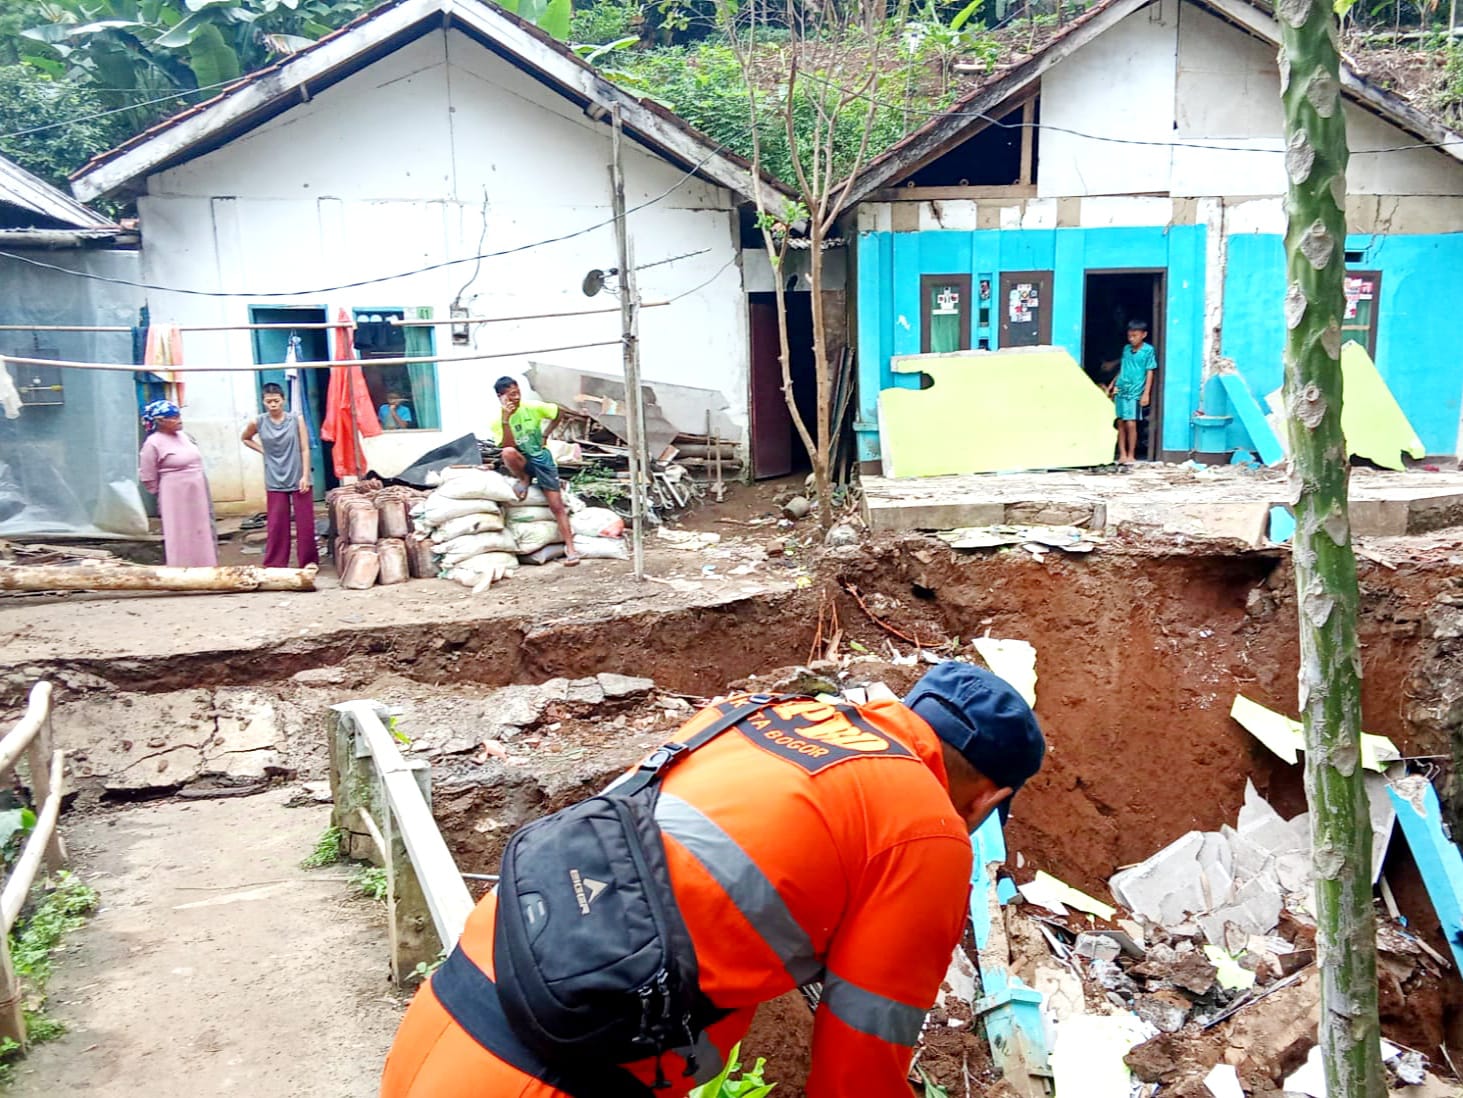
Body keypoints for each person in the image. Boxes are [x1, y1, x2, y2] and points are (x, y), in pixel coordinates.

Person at [381, 661, 1046, 1098]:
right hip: (549, 1073)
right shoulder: (924, 829)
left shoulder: (761, 713)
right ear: (987, 800)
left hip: (448, 1008)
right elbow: (854, 1082)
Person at [485, 377, 578, 565]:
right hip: (522, 460)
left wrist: (545, 434)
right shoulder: (497, 421)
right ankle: (524, 478)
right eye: (511, 395)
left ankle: (571, 548)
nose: (516, 397)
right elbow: (508, 445)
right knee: (508, 453)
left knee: (556, 506)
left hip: (542, 460)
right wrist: (506, 421)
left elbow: (558, 412)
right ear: (500, 397)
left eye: (518, 392)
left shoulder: (533, 407)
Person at [241, 383, 318, 570]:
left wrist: (305, 475)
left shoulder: (295, 420)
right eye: (269, 402)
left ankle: (308, 561)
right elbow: (245, 438)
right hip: (274, 475)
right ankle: (275, 562)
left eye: (276, 401)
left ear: (283, 400)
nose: (273, 405)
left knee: (305, 522)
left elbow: (305, 448)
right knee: (276, 523)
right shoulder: (258, 422)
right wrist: (263, 451)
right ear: (263, 402)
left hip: (298, 473)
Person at [138, 399, 218, 567]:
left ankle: (205, 565)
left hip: (197, 489)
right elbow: (148, 475)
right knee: (179, 529)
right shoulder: (153, 443)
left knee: (201, 527)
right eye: (173, 417)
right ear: (160, 422)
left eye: (178, 416)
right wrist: (161, 493)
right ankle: (181, 567)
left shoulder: (185, 437)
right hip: (174, 492)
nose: (179, 420)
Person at [1105, 319, 1157, 465]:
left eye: (1135, 335)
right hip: (1121, 388)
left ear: (1144, 335)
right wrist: (1113, 384)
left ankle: (1131, 454)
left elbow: (1150, 372)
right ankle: (1122, 454)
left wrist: (1146, 393)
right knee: (1120, 421)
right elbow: (1123, 368)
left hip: (1135, 391)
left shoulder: (1148, 351)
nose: (1132, 339)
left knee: (1131, 423)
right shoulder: (1126, 349)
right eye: (1130, 336)